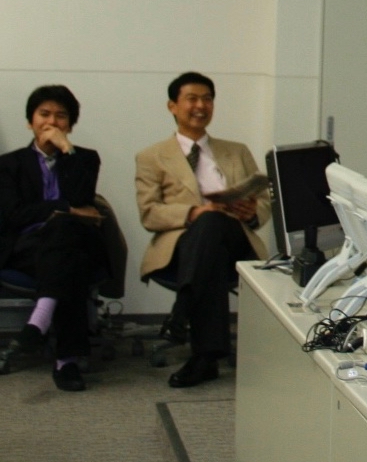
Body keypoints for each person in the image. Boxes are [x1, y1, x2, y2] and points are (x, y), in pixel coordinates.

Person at [135, 72, 271, 388]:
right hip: (181, 246)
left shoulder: (236, 151)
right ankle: (206, 358)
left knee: (213, 226)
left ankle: (181, 312)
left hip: (237, 240)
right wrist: (194, 212)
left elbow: (264, 200)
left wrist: (252, 212)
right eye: (192, 99)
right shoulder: (151, 156)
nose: (201, 106)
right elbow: (149, 213)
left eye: (207, 99)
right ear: (172, 106)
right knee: (209, 237)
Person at [0, 86, 104, 391]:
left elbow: (82, 197)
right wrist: (64, 208)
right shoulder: (8, 164)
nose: (52, 122)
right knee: (70, 255)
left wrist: (66, 150)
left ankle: (39, 321)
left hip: (72, 240)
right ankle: (66, 361)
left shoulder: (85, 158)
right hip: (26, 247)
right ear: (29, 121)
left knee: (65, 235)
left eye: (61, 116)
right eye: (44, 114)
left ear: (70, 124)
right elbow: (13, 215)